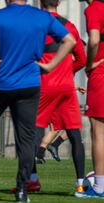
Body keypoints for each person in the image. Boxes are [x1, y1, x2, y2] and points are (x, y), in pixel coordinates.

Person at [0, 0, 75, 202]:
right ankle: (22, 191)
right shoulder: (41, 17)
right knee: (25, 140)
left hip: (2, 83)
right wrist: (51, 65)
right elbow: (70, 40)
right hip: (30, 85)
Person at [25, 0, 87, 195]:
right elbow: (82, 59)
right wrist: (67, 72)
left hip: (43, 86)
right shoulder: (70, 26)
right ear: (59, 2)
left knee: (32, 132)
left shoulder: (34, 25)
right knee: (75, 134)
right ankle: (80, 185)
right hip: (66, 87)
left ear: (40, 2)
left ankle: (32, 181)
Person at [76, 0, 104, 198]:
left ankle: (100, 187)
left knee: (98, 132)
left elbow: (93, 40)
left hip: (101, 75)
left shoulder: (94, 8)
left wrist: (90, 63)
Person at [36, 86, 86, 163]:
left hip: (57, 103)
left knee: (71, 127)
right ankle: (40, 155)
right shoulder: (54, 78)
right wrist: (76, 88)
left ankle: (50, 148)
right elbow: (60, 86)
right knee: (55, 130)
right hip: (55, 103)